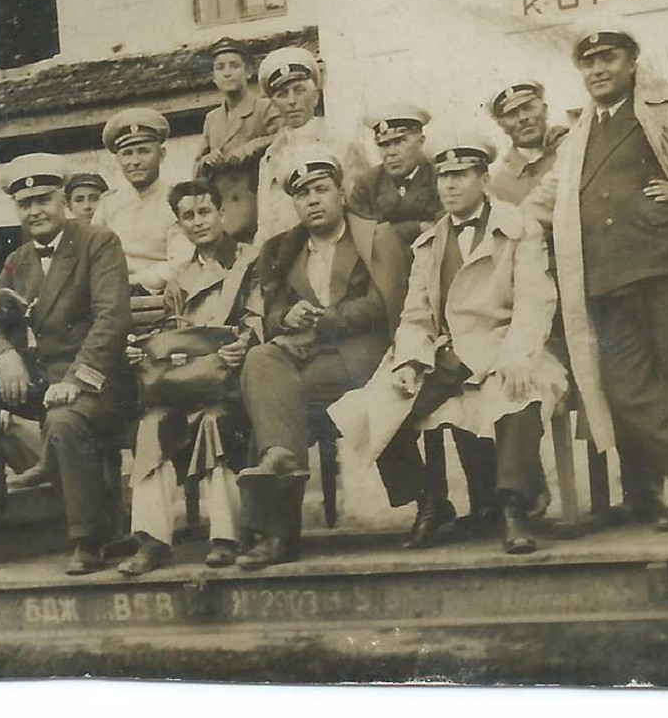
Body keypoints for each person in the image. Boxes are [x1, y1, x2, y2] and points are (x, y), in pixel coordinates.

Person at [525, 29, 668, 531]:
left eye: (608, 58)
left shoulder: (664, 106)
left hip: (667, 263)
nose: (598, 70)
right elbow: (548, 196)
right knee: (622, 383)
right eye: (589, 63)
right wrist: (501, 224)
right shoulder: (581, 133)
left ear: (632, 62)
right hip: (606, 278)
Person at [331, 134, 567, 554]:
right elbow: (416, 314)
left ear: (483, 178)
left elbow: (535, 299)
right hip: (446, 354)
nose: (450, 186)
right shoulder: (430, 242)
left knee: (518, 392)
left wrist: (517, 354)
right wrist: (407, 359)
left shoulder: (517, 228)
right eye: (443, 176)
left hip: (503, 344)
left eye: (461, 175)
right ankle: (429, 501)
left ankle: (512, 505)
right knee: (377, 406)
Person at [0, 154, 134, 576]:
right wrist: (4, 355)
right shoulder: (19, 260)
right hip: (43, 379)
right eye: (26, 204)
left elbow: (112, 320)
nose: (36, 211)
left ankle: (87, 538)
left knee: (63, 421)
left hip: (99, 381)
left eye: (43, 199)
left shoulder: (98, 243)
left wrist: (77, 379)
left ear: (62, 200)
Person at [237, 149, 409, 569]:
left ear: (340, 192)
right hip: (308, 360)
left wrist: (325, 320)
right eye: (302, 195)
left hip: (361, 358)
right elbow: (272, 315)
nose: (312, 201)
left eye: (320, 189)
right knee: (260, 360)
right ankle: (280, 455)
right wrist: (287, 316)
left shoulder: (373, 236)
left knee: (275, 402)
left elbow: (387, 304)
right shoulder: (284, 249)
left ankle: (275, 534)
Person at [117, 178, 261, 575]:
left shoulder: (250, 262)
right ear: (179, 225)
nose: (198, 222)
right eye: (188, 216)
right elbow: (165, 329)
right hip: (186, 382)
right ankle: (152, 540)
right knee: (152, 424)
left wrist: (245, 344)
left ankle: (227, 536)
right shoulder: (179, 276)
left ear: (221, 213)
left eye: (204, 212)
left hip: (231, 381)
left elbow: (258, 316)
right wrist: (142, 349)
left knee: (216, 422)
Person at [252, 47, 365, 245]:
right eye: (282, 94)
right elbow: (265, 223)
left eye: (299, 90)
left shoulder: (342, 145)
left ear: (315, 97)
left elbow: (360, 210)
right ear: (274, 103)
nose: (292, 101)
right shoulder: (272, 156)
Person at [93, 108, 191, 293]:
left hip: (162, 298)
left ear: (161, 155)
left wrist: (136, 281)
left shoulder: (177, 201)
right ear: (118, 160)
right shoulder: (107, 205)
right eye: (127, 154)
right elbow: (94, 258)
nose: (135, 161)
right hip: (112, 295)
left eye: (144, 151)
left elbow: (182, 261)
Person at [195, 37, 281, 242]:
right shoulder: (212, 119)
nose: (227, 72)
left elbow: (286, 139)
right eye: (220, 68)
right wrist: (208, 160)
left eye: (234, 66)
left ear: (249, 72)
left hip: (256, 212)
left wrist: (252, 147)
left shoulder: (265, 107)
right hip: (223, 217)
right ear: (214, 77)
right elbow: (197, 170)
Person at [349, 104, 441, 247]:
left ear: (421, 141)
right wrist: (417, 228)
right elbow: (360, 236)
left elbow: (445, 230)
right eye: (384, 145)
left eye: (399, 142)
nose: (391, 153)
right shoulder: (367, 183)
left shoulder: (439, 179)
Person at [486, 82, 571, 206]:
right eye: (511, 114)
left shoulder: (573, 148)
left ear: (544, 110)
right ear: (502, 125)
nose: (523, 118)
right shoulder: (498, 185)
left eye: (528, 108)